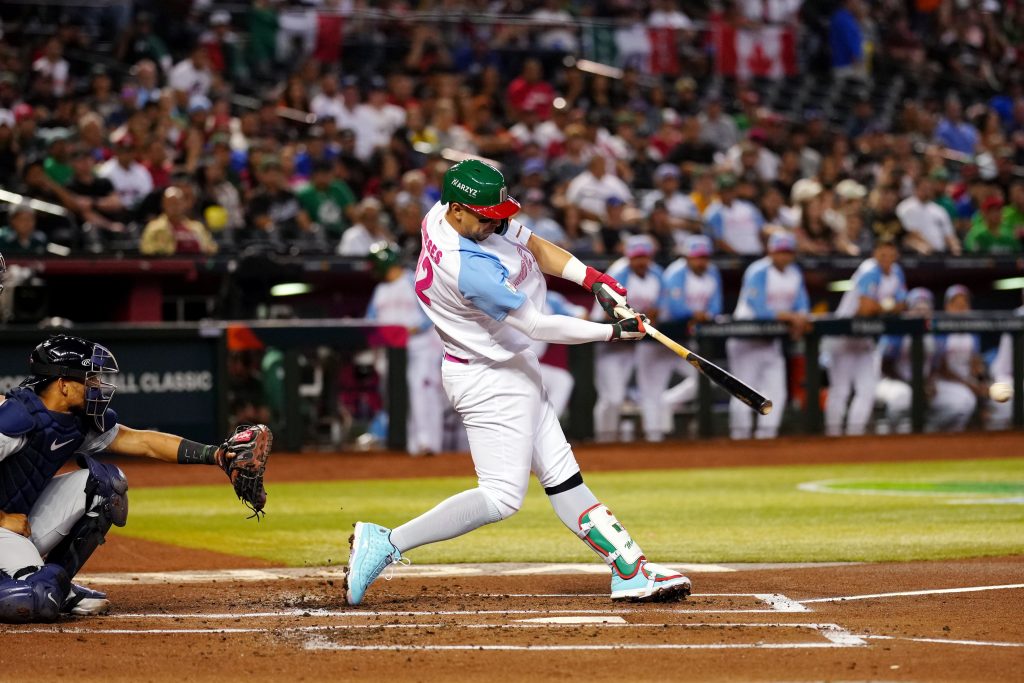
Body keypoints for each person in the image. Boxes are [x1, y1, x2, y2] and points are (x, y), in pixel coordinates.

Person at [344, 160, 689, 606]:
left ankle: (630, 569)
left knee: (564, 477)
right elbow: (539, 327)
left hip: (511, 365)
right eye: (488, 217)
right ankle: (386, 541)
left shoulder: (452, 216)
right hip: (488, 377)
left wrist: (593, 280)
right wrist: (613, 332)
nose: (498, 224)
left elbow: (533, 244)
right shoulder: (466, 267)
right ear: (458, 210)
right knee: (501, 498)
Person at [0, 335, 271, 623]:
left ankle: (56, 583)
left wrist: (216, 455)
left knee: (106, 487)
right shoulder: (13, 419)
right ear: (63, 385)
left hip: (17, 526)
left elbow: (143, 442)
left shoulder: (73, 421)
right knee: (37, 598)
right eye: (89, 378)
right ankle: (36, 584)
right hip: (5, 524)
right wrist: (2, 519)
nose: (96, 386)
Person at [726, 232, 809, 439]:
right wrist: (790, 317)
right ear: (770, 252)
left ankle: (767, 437)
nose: (783, 256)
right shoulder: (759, 270)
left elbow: (803, 305)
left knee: (776, 392)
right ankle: (740, 437)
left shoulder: (794, 273)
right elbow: (759, 308)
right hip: (746, 338)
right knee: (743, 391)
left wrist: (799, 319)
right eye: (780, 252)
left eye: (787, 252)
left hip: (770, 341)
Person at [364, 242, 445, 456]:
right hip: (391, 351)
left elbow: (432, 310)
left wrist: (414, 329)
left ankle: (427, 443)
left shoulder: (412, 280)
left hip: (420, 346)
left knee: (420, 389)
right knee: (398, 395)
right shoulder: (379, 290)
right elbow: (369, 322)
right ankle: (409, 445)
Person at [591, 234, 672, 442]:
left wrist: (652, 314)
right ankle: (603, 439)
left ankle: (614, 439)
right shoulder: (618, 273)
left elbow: (661, 310)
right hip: (608, 341)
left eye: (644, 257)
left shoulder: (656, 275)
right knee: (612, 398)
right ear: (629, 257)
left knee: (631, 395)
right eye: (637, 257)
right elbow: (607, 313)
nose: (641, 261)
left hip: (633, 345)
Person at [824, 239, 907, 436]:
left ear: (896, 255)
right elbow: (864, 308)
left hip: (864, 338)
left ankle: (854, 436)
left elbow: (904, 304)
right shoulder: (869, 270)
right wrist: (888, 306)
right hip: (843, 334)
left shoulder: (897, 272)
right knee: (841, 390)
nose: (886, 258)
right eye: (882, 254)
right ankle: (832, 436)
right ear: (875, 253)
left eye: (890, 254)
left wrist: (883, 307)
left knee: (867, 389)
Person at [661, 234, 723, 415]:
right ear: (687, 257)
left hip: (685, 340)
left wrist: (707, 315)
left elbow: (716, 305)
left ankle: (666, 404)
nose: (701, 261)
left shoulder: (712, 272)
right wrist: (695, 314)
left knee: (705, 379)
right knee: (651, 387)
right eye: (697, 257)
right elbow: (674, 308)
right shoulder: (675, 272)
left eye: (704, 257)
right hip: (663, 336)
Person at [875, 287, 935, 434]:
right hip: (887, 381)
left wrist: (928, 383)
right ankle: (886, 425)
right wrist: (914, 385)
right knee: (904, 395)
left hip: (919, 382)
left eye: (924, 309)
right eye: (916, 309)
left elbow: (937, 365)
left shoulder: (935, 334)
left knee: (957, 401)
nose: (921, 313)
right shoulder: (897, 330)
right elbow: (885, 366)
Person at [927, 285, 986, 432]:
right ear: (948, 307)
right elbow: (941, 369)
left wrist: (981, 382)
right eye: (956, 305)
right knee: (964, 402)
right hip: (941, 383)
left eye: (964, 304)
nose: (961, 308)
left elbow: (976, 364)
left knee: (998, 400)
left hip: (965, 382)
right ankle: (929, 428)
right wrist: (969, 385)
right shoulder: (939, 331)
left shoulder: (972, 333)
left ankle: (956, 443)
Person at [139, 187, 218, 256]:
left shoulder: (197, 227)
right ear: (163, 205)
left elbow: (211, 247)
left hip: (196, 268)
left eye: (177, 203)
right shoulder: (154, 227)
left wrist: (207, 250)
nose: (174, 206)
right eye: (170, 203)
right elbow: (146, 249)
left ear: (184, 204)